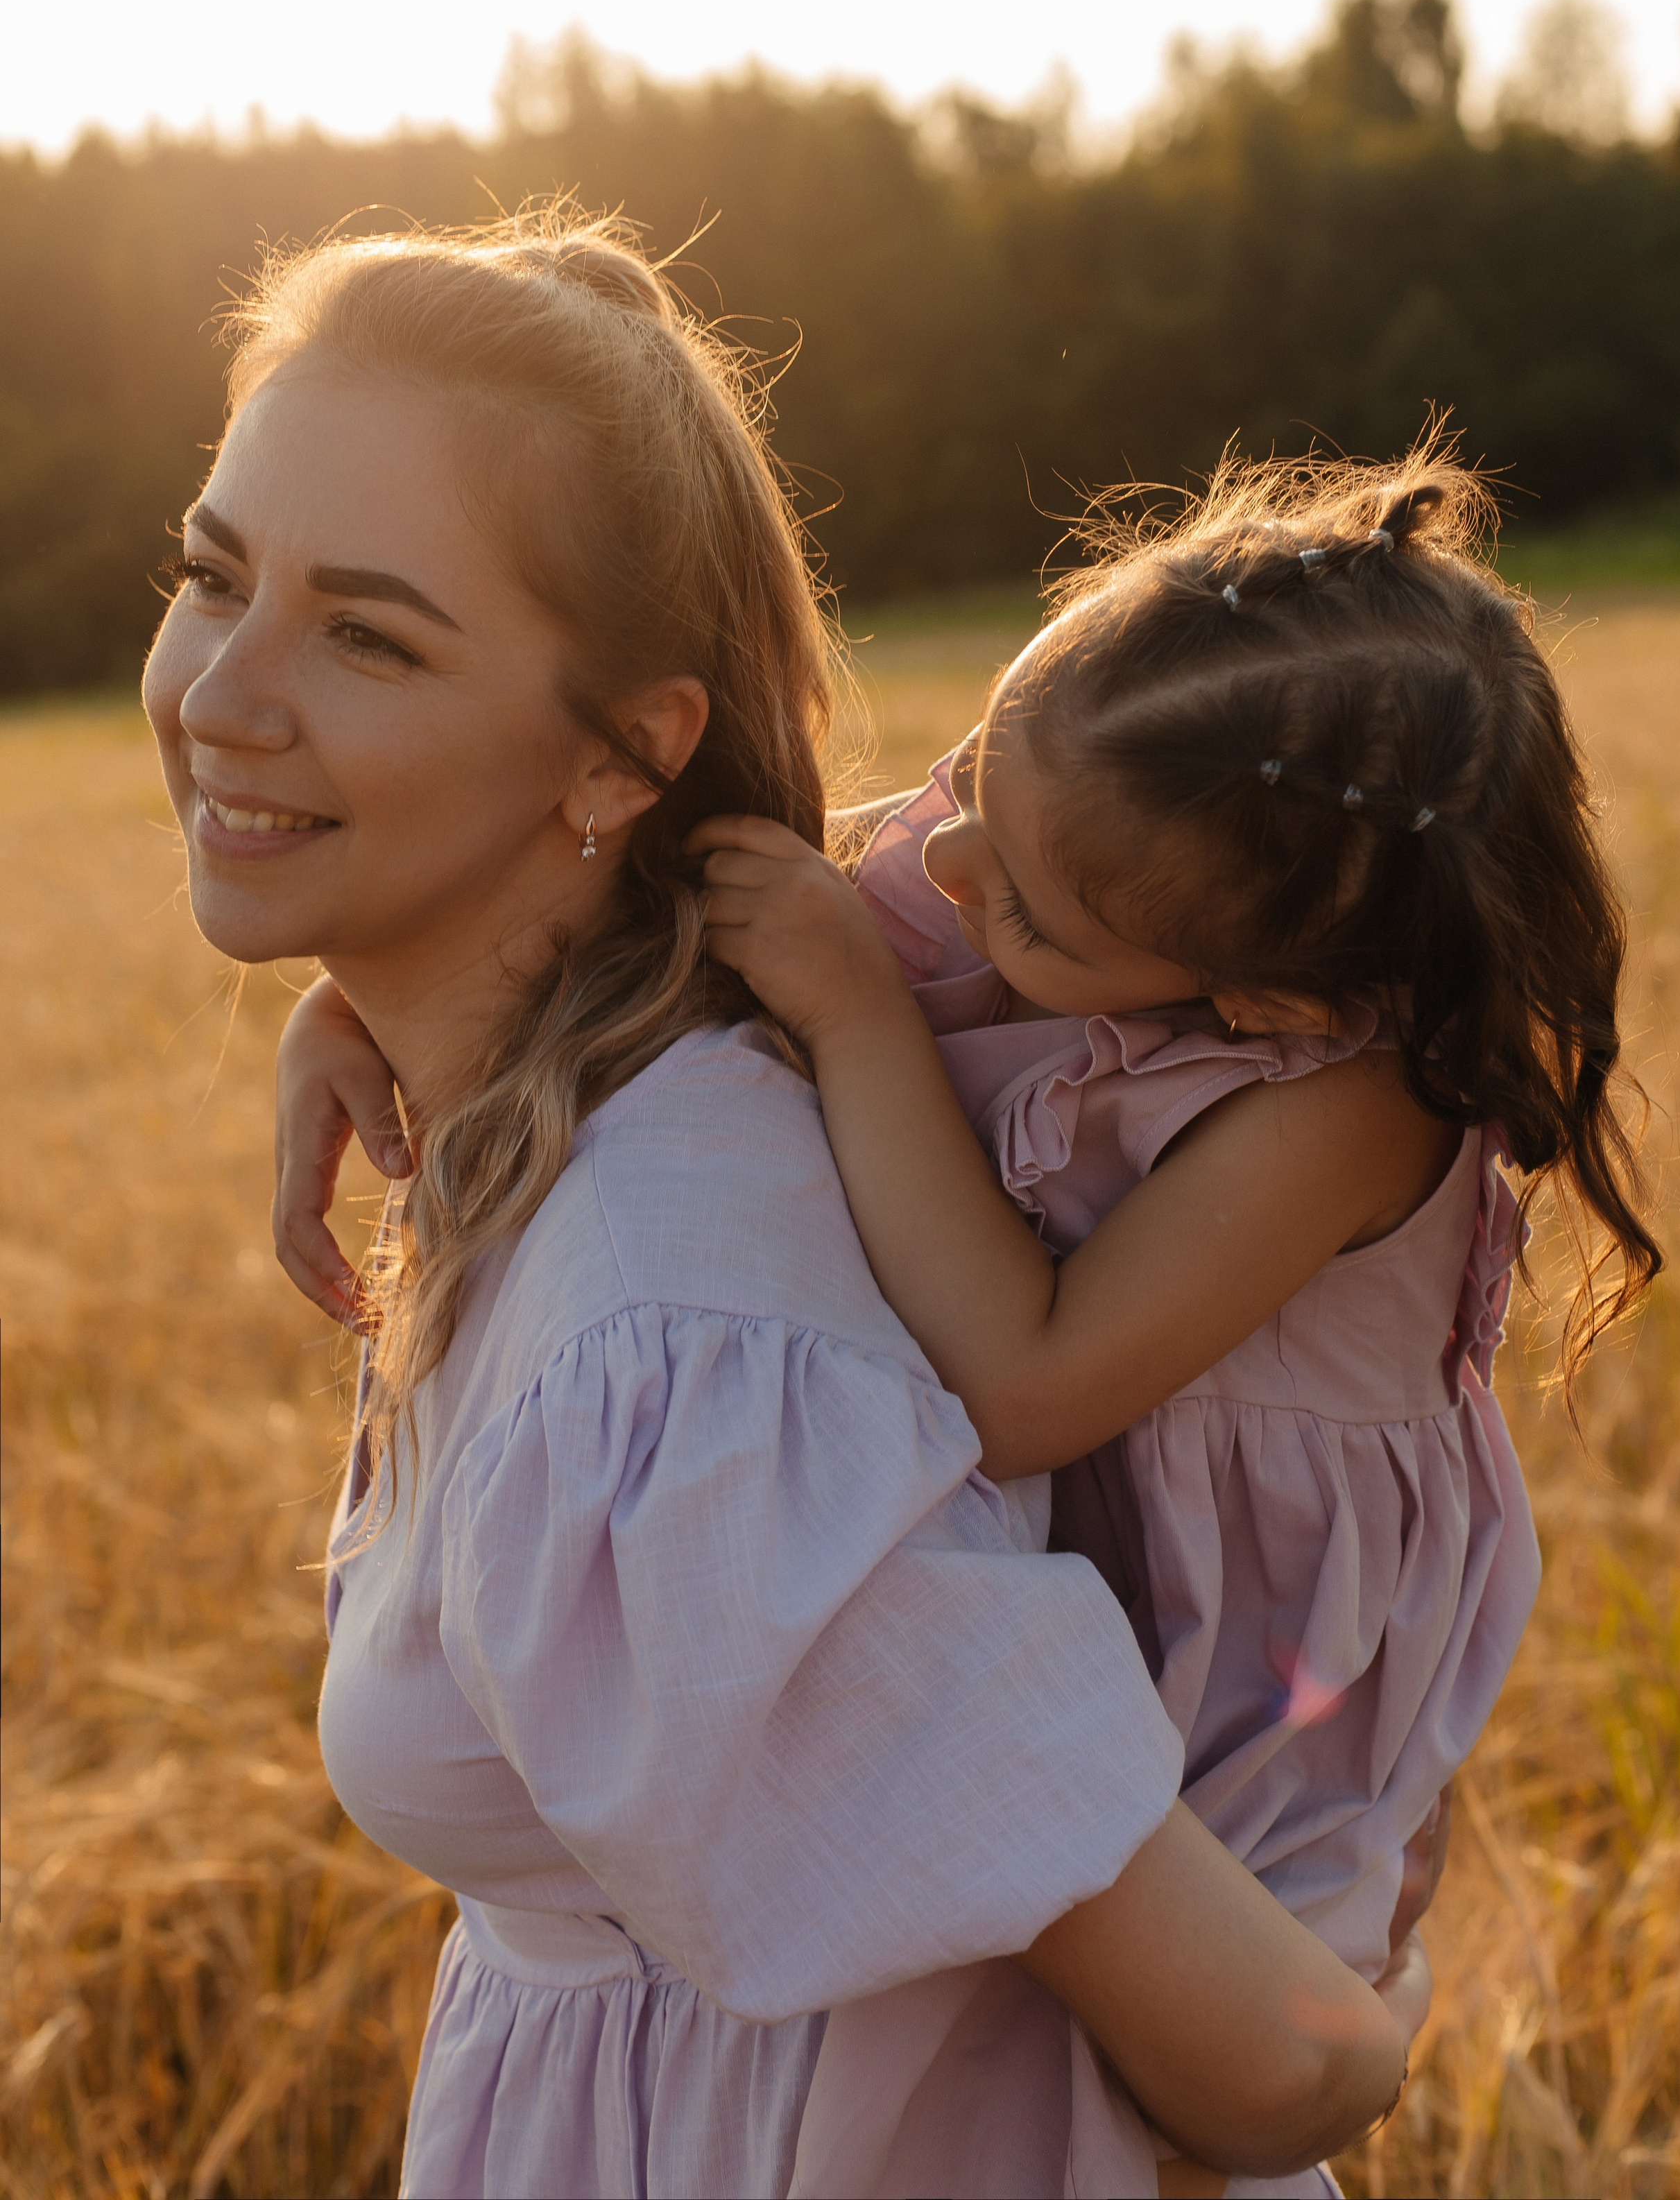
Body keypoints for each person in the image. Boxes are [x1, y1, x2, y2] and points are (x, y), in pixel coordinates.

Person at [147, 214, 1414, 2200]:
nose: (220, 692)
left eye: (366, 632)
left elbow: (1281, 2069)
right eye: (212, 576)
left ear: (626, 752)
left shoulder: (678, 1356)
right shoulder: (570, 1137)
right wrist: (362, 990)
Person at [660, 448, 1661, 2178]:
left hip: (1259, 1667)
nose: (944, 853)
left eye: (1030, 915)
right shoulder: (1048, 829)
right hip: (1083, 1594)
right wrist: (373, 1021)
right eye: (978, 760)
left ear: (1272, 994)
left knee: (1168, 2104)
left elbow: (1031, 1384)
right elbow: (696, 916)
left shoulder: (1349, 1107)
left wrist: (858, 1020)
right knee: (964, 2046)